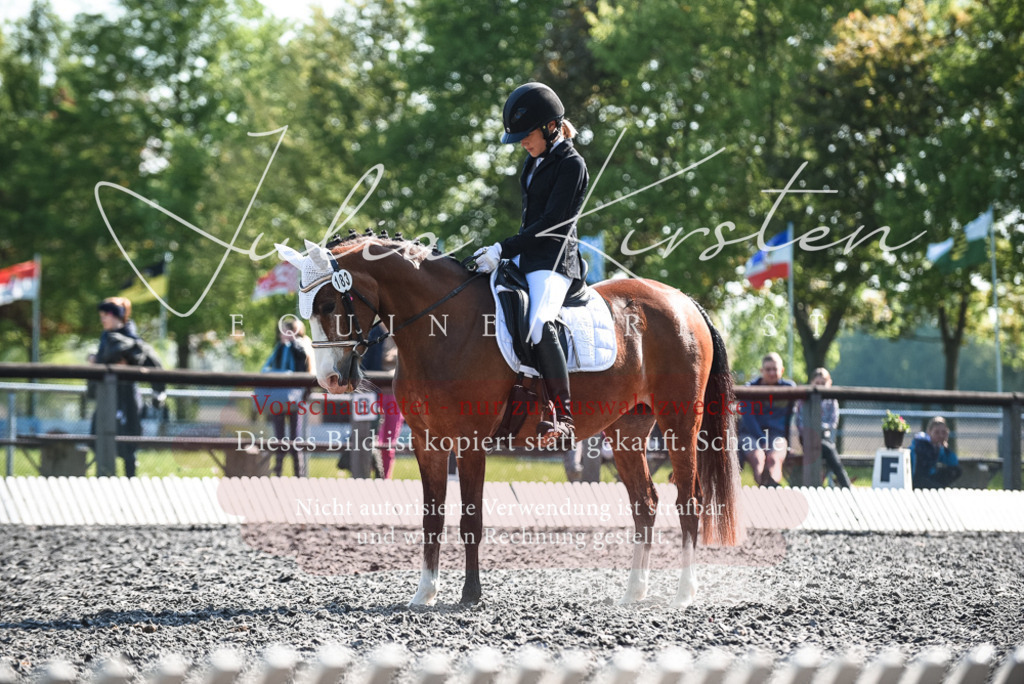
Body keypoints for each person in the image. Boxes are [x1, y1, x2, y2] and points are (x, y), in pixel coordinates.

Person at [474, 82, 589, 449]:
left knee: (540, 323)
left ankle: (563, 415)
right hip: (527, 256)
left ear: (552, 126)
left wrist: (503, 247)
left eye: (528, 135)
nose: (523, 142)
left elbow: (552, 223)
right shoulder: (534, 160)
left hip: (555, 260)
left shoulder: (571, 164)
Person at [88, 296, 164, 477]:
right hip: (107, 396)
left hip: (126, 397)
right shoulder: (106, 337)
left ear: (117, 316)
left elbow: (145, 359)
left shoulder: (131, 339)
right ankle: (105, 480)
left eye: (107, 314)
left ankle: (130, 484)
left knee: (128, 444)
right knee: (101, 440)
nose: (103, 319)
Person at [260, 318, 313, 477]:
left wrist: (293, 342)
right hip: (279, 397)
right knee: (279, 438)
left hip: (295, 399)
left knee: (295, 439)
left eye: (285, 331)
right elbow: (266, 368)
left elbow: (305, 368)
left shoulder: (300, 347)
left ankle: (299, 475)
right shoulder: (280, 348)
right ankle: (279, 473)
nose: (282, 334)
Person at [737, 352, 795, 486]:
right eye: (768, 369)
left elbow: (790, 419)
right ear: (761, 371)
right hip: (751, 435)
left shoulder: (789, 389)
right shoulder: (749, 389)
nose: (771, 372)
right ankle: (764, 488)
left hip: (777, 435)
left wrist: (789, 441)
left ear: (782, 370)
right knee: (758, 458)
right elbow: (748, 419)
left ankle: (772, 489)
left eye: (775, 369)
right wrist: (763, 440)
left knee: (774, 459)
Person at [793, 367, 852, 488]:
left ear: (829, 383)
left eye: (823, 383)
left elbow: (833, 423)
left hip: (825, 437)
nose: (820, 386)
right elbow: (799, 422)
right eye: (817, 383)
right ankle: (845, 484)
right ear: (812, 383)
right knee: (829, 450)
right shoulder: (804, 400)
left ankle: (826, 485)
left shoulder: (832, 400)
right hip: (807, 439)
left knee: (827, 448)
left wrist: (819, 428)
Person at [910, 416, 962, 488]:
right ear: (929, 432)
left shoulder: (937, 446)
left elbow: (953, 463)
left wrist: (945, 448)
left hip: (928, 477)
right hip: (917, 480)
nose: (940, 436)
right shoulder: (921, 444)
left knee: (956, 470)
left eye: (943, 432)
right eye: (937, 432)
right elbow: (921, 471)